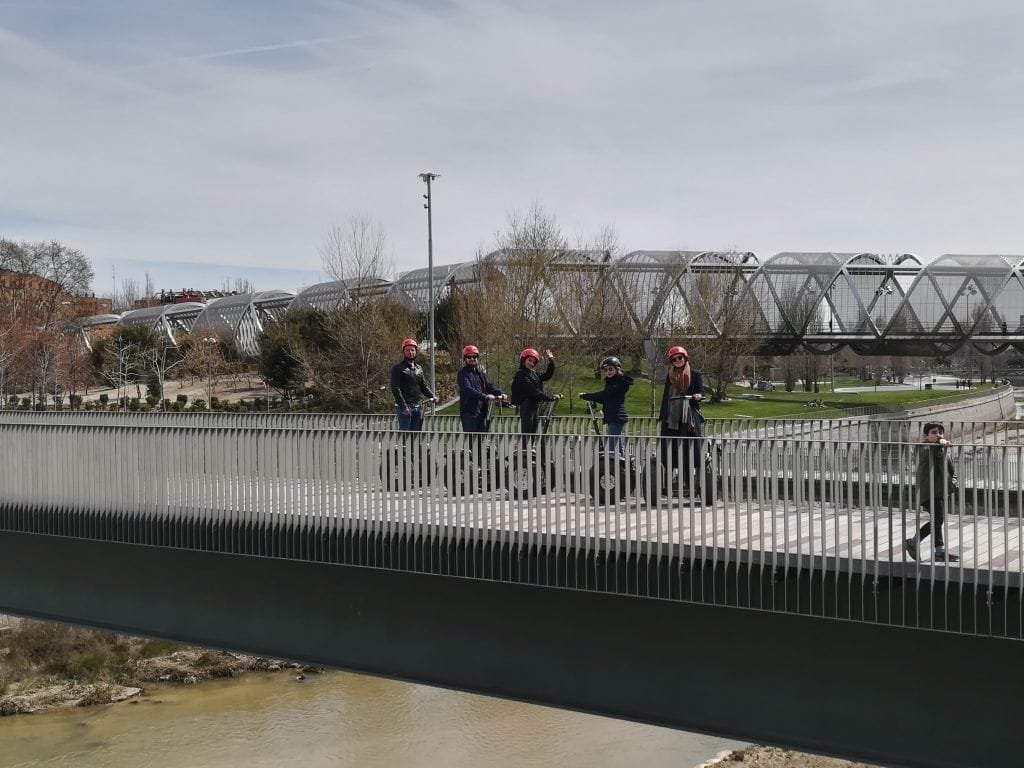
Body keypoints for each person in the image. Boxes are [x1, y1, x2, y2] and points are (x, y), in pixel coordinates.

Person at [905, 422, 960, 562]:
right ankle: (913, 543)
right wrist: (939, 444)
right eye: (934, 432)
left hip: (940, 491)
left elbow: (952, 471)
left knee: (937, 519)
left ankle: (938, 552)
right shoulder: (923, 448)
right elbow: (931, 454)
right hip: (927, 491)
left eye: (941, 432)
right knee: (938, 519)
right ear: (926, 436)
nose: (938, 434)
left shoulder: (943, 450)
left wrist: (953, 482)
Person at [657, 345, 705, 496]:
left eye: (680, 358)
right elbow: (666, 396)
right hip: (673, 416)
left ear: (685, 358)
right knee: (670, 448)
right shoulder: (670, 376)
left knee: (690, 447)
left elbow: (702, 392)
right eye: (674, 359)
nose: (678, 361)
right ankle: (667, 486)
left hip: (690, 414)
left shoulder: (695, 374)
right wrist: (662, 417)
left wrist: (698, 396)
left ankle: (693, 485)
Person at [579, 356, 634, 455]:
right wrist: (590, 398)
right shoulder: (611, 382)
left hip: (617, 417)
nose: (608, 371)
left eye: (610, 369)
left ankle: (617, 469)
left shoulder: (619, 382)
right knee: (617, 446)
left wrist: (587, 396)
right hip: (612, 417)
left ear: (617, 369)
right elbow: (606, 399)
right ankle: (624, 468)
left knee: (612, 448)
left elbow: (605, 395)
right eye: (606, 370)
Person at [510, 347, 561, 438]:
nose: (531, 363)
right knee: (527, 432)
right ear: (523, 360)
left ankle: (529, 449)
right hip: (526, 405)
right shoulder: (520, 374)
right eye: (529, 360)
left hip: (534, 406)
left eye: (533, 362)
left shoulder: (532, 373)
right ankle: (525, 450)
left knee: (533, 431)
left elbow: (547, 375)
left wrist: (551, 361)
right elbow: (532, 391)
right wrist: (549, 398)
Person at [457, 345, 505, 433]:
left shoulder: (480, 373)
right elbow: (468, 389)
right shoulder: (462, 374)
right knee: (473, 440)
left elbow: (489, 386)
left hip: (482, 411)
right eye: (469, 357)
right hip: (470, 413)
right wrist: (485, 396)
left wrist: (500, 393)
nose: (472, 359)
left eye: (474, 356)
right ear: (465, 359)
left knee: (482, 438)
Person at [389, 338, 436, 431]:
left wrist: (432, 396)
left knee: (416, 434)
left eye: (412, 350)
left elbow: (423, 386)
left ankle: (415, 446)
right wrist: (403, 406)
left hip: (417, 407)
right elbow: (395, 388)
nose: (410, 352)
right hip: (405, 407)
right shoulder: (398, 368)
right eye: (408, 350)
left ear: (415, 351)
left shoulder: (419, 368)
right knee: (406, 434)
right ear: (404, 352)